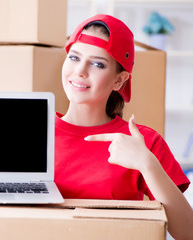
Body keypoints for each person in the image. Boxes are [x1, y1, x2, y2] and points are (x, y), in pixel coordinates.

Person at [55, 14, 193, 239]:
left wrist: (147, 164)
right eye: (74, 57)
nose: (80, 70)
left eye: (97, 64)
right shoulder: (36, 132)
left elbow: (187, 232)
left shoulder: (142, 142)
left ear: (119, 81)